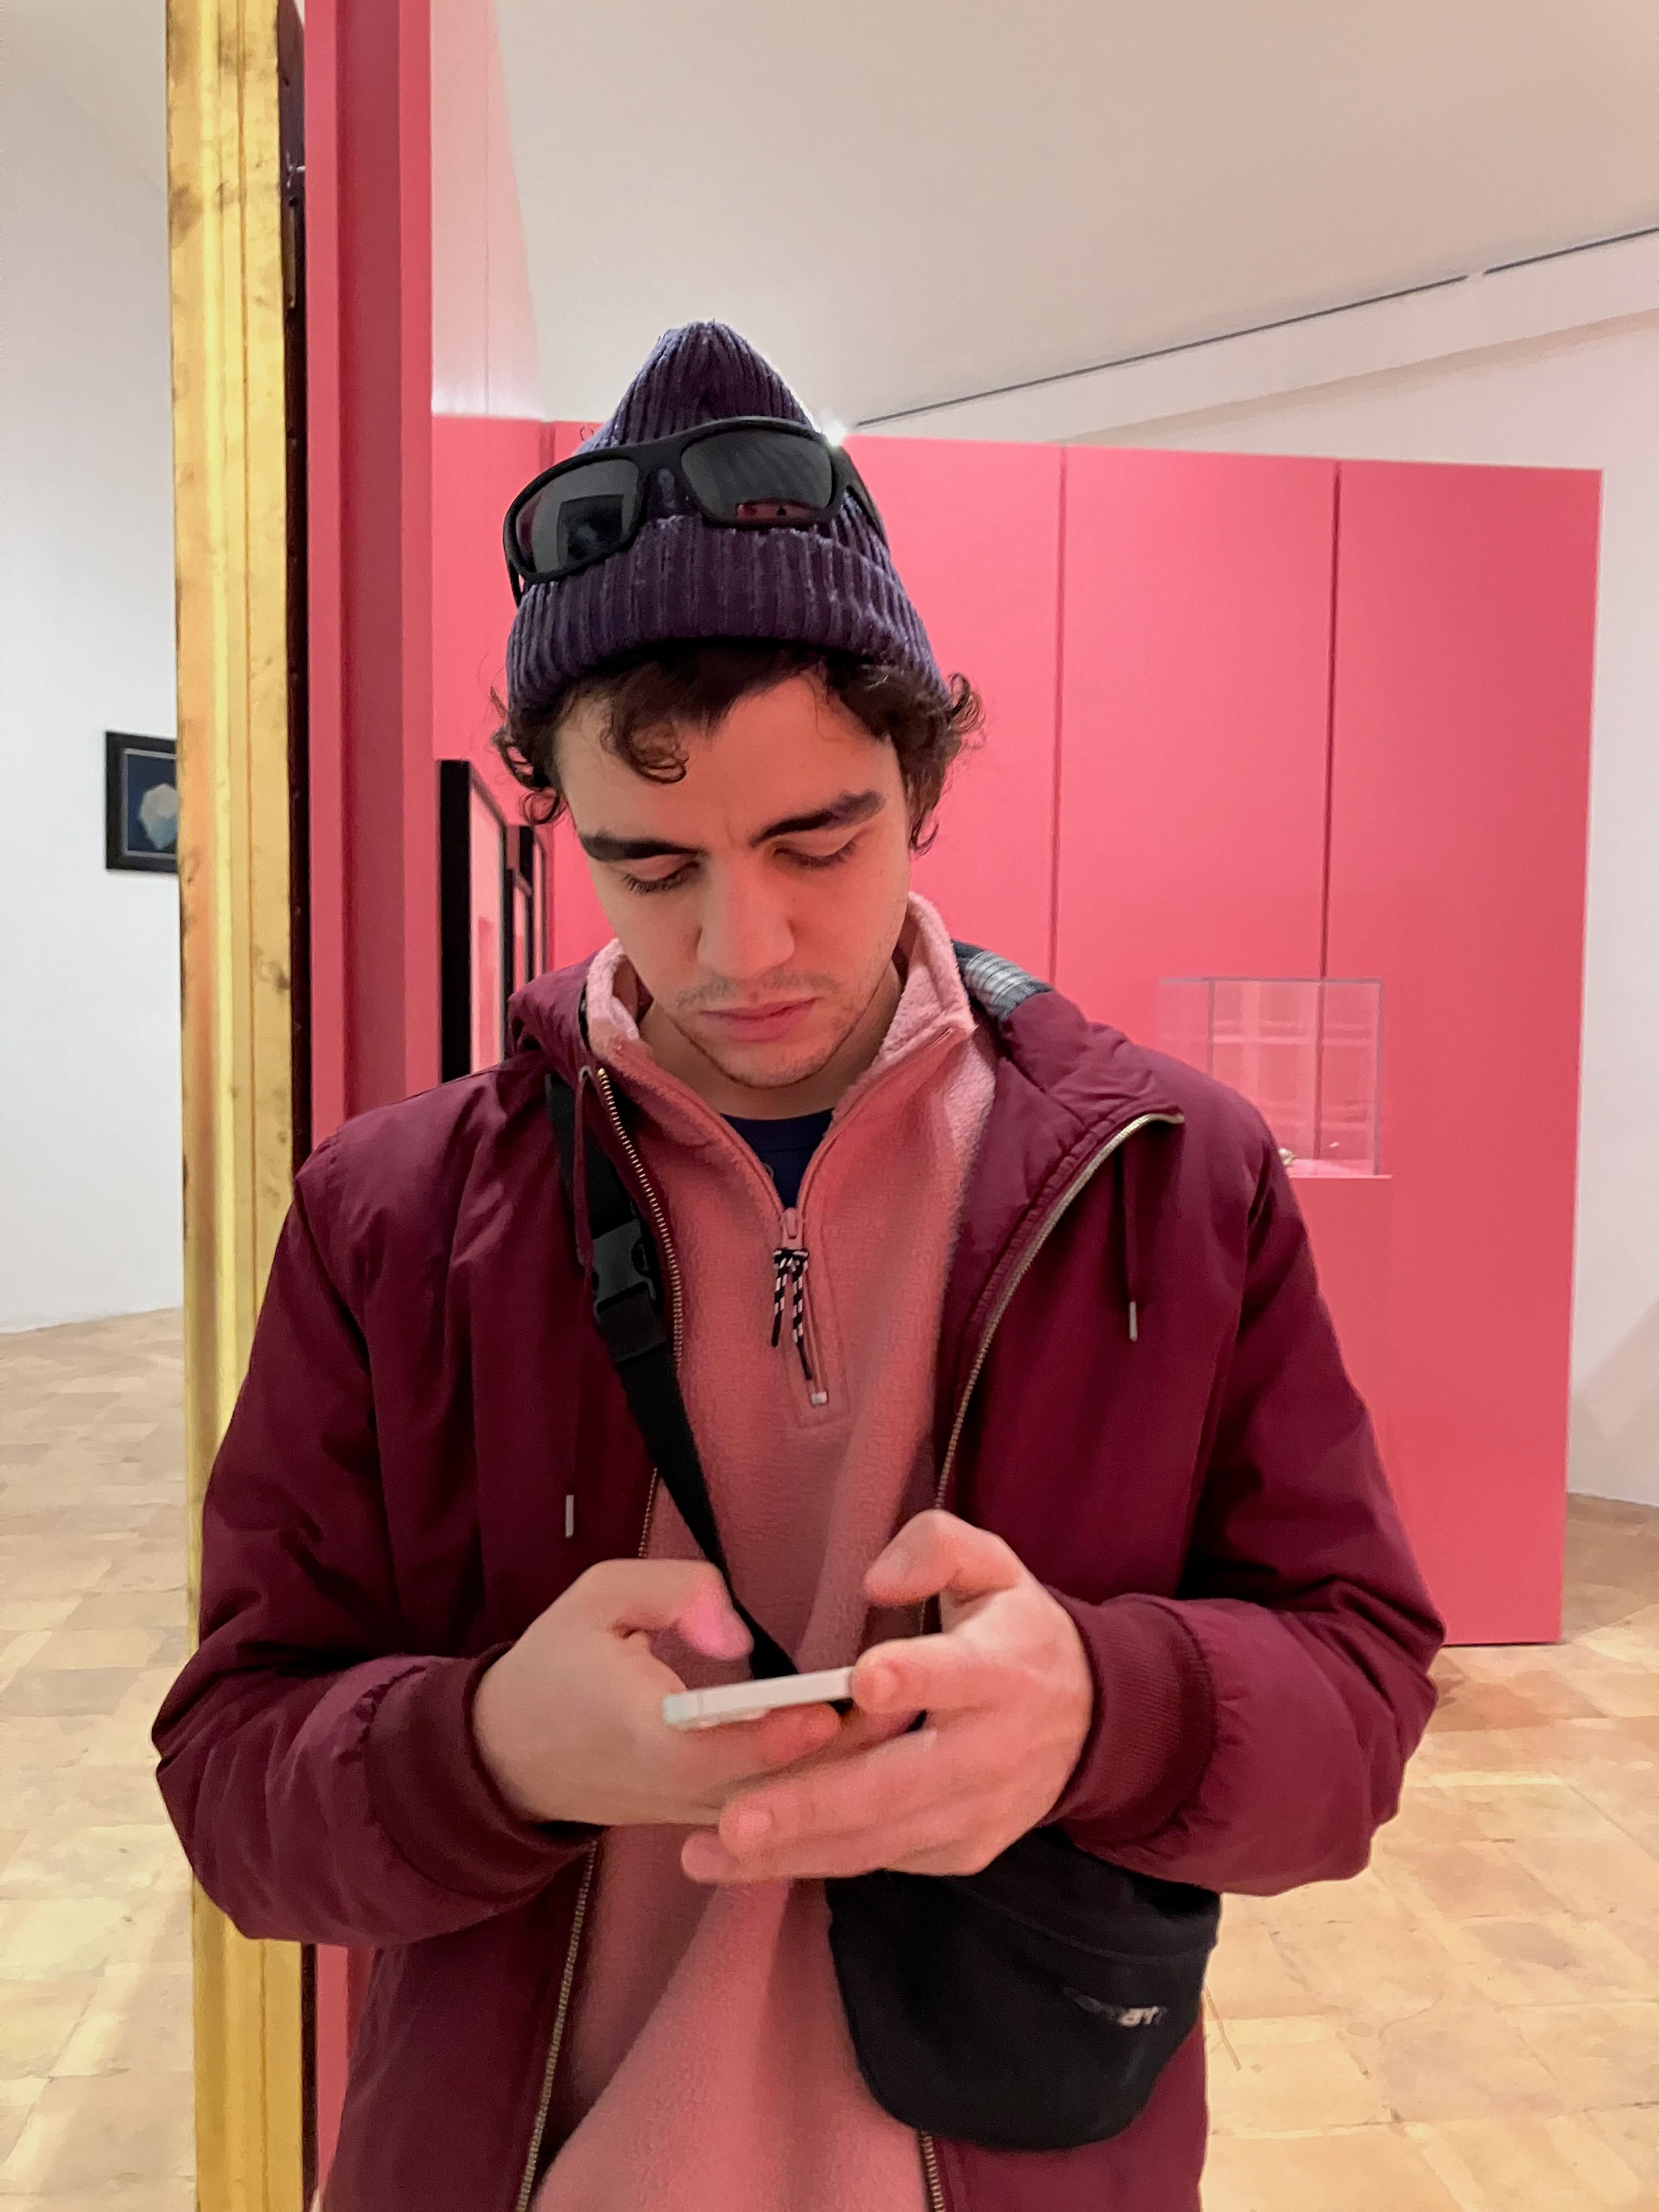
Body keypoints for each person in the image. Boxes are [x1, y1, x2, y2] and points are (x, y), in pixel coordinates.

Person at [154, 321, 1442, 2212]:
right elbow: (232, 1784)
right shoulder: (386, 1216)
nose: (739, 947)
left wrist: (1106, 1709)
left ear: (921, 784)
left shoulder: (1178, 1176)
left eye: (815, 843)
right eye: (651, 866)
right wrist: (484, 1748)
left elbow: (1364, 1694)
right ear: (563, 825)